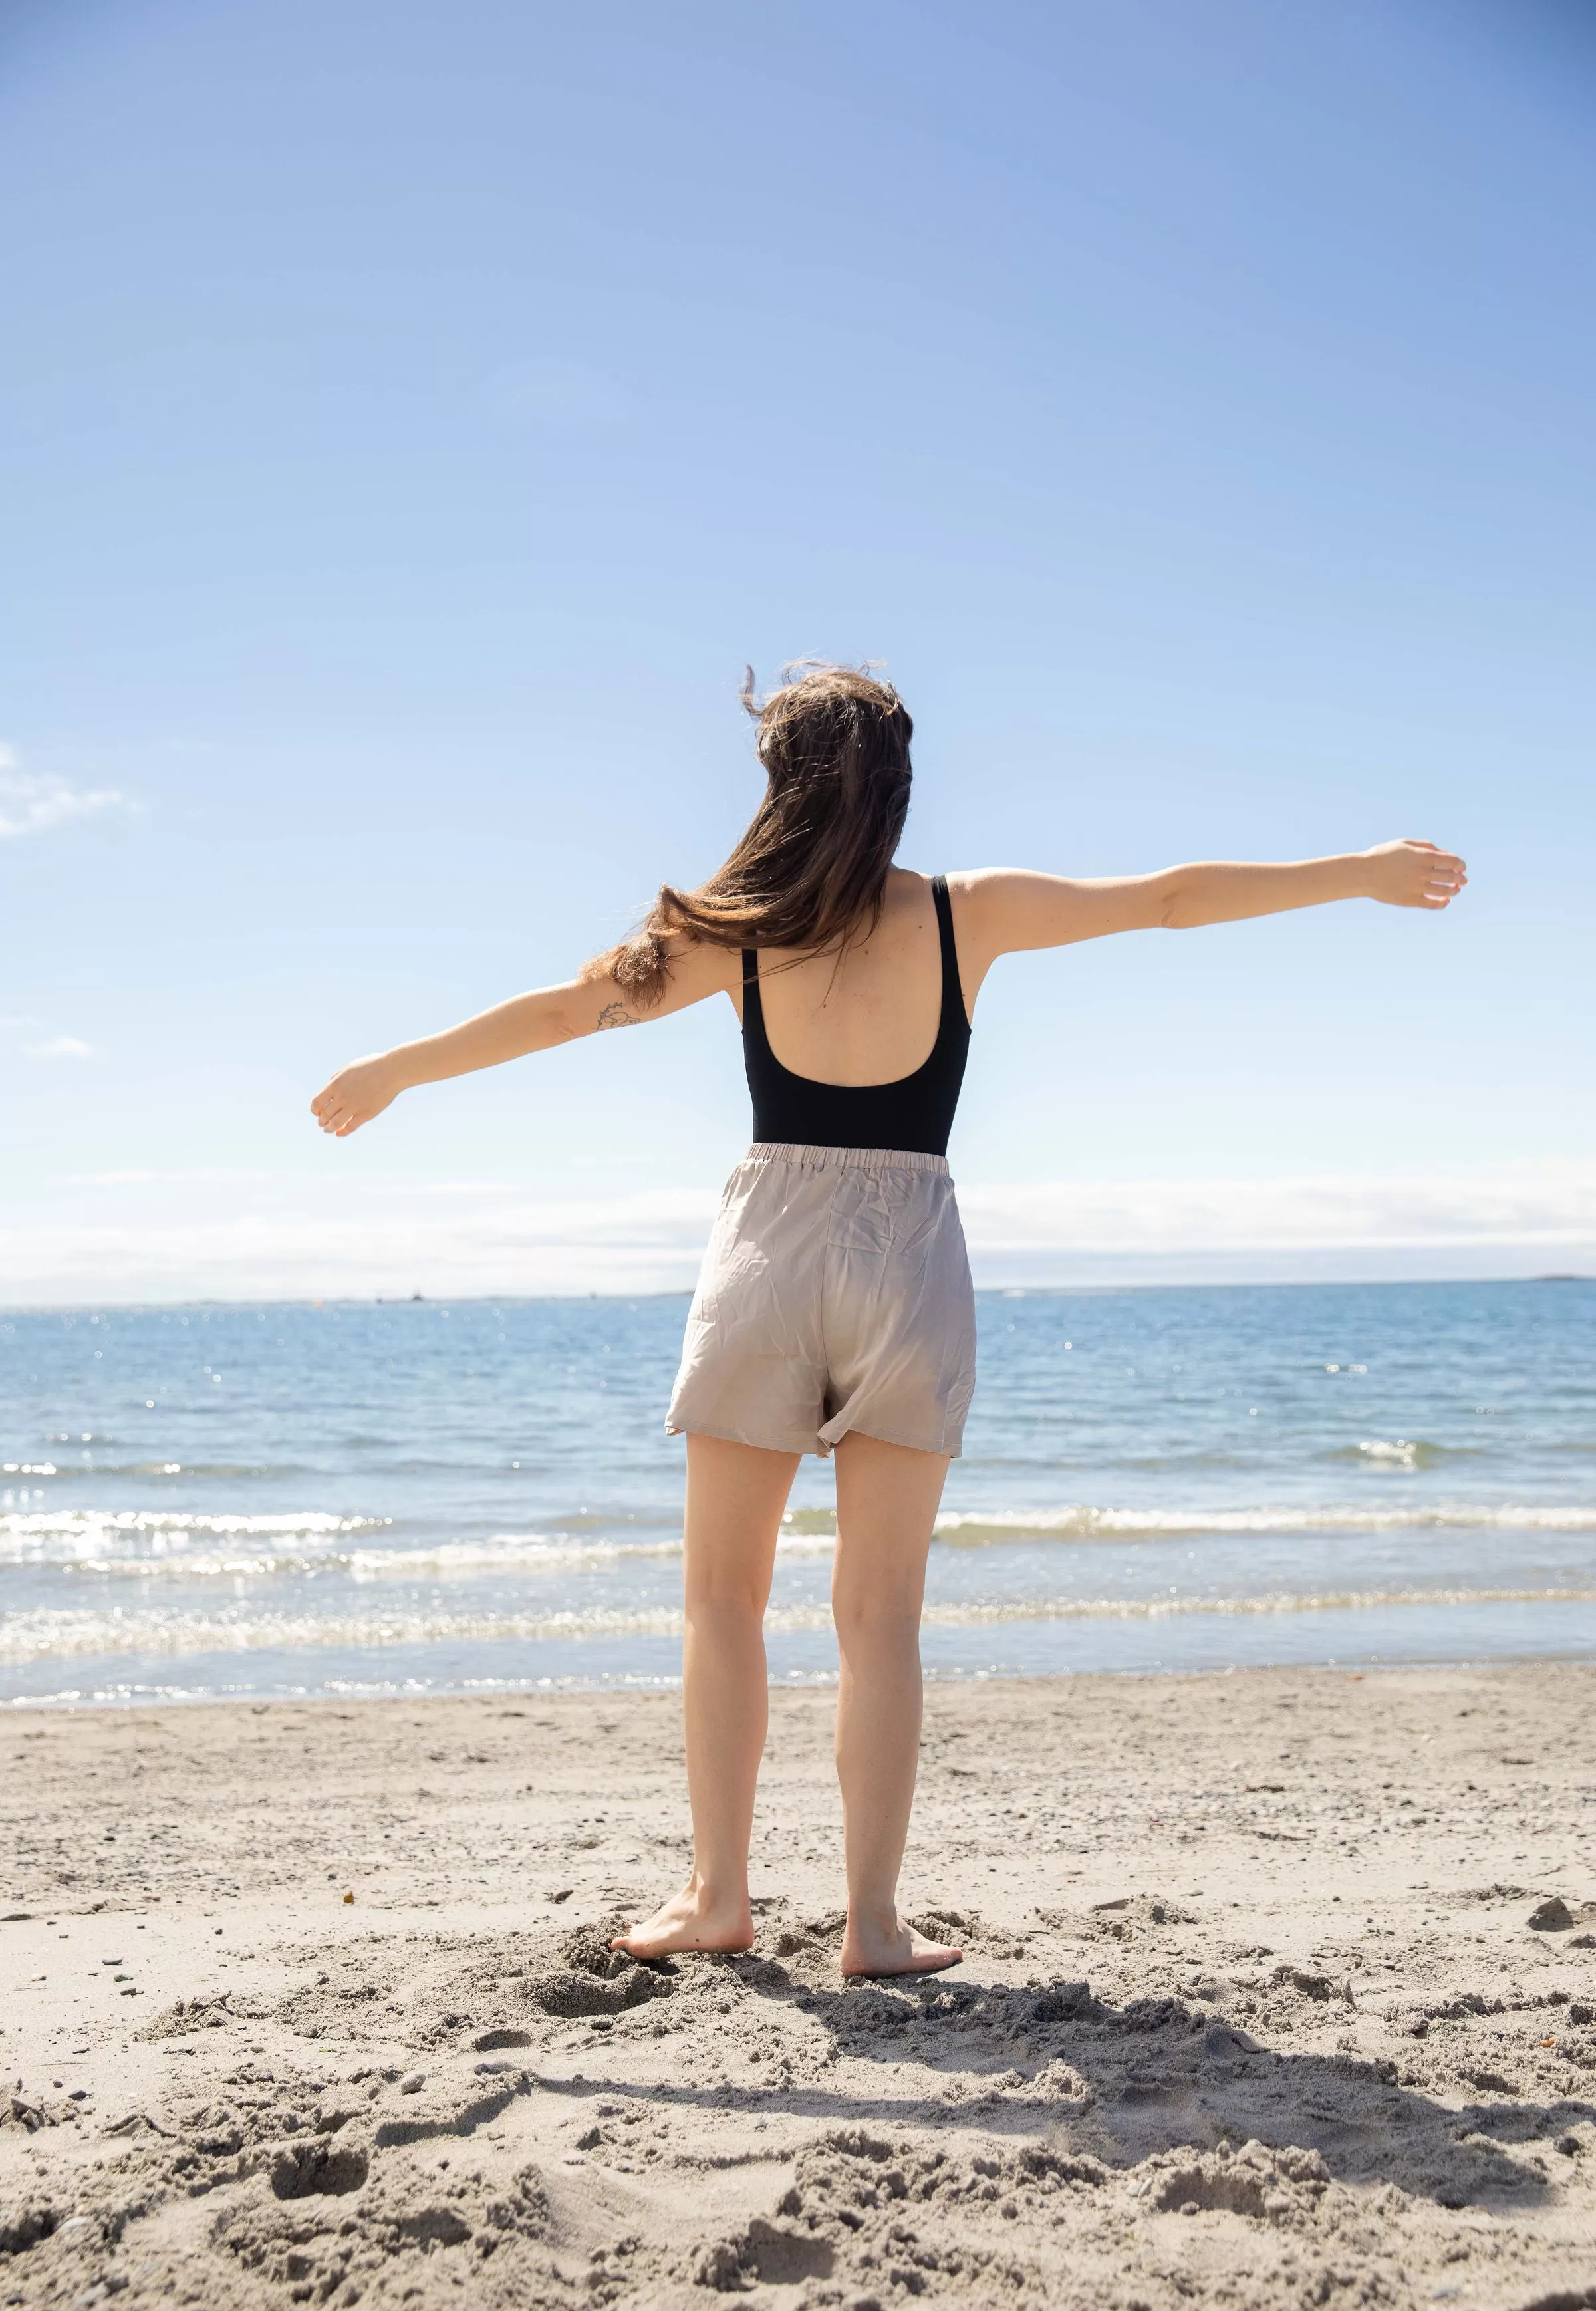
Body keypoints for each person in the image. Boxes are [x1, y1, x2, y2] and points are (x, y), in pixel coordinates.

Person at [311, 662, 1466, 1976]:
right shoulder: (968, 915)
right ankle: (870, 1924)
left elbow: (565, 1011)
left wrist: (394, 1068)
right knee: (880, 1616)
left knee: (721, 1600)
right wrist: (1359, 870)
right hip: (912, 1261)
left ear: (778, 789)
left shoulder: (731, 930)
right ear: (900, 789)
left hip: (769, 1252)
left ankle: (717, 1897)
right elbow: (1167, 898)